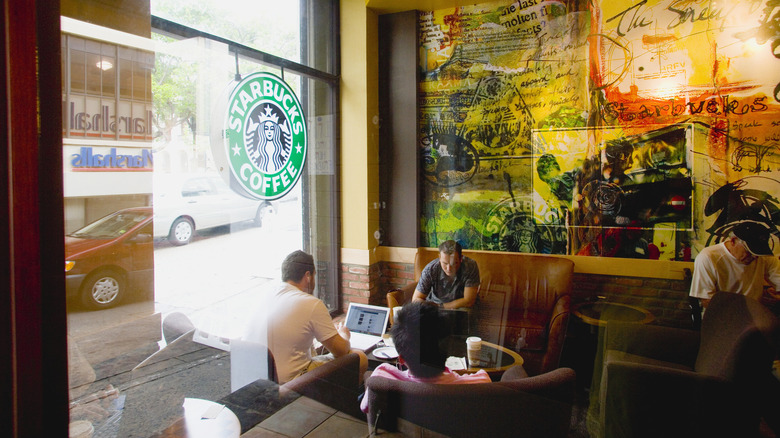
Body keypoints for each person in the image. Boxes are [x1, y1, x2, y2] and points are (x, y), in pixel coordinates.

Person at [242, 250, 367, 384]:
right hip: (288, 384)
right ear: (308, 276)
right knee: (359, 357)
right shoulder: (311, 303)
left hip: (252, 380)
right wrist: (344, 335)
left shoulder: (265, 295)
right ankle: (345, 403)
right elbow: (341, 351)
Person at [360, 301, 492, 413]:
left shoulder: (380, 378)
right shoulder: (480, 383)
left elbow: (365, 407)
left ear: (401, 359)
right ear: (448, 350)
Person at [689, 221, 780, 309]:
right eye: (749, 251)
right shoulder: (708, 257)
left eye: (757, 252)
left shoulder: (762, 256)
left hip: (754, 314)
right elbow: (707, 300)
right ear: (733, 241)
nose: (754, 256)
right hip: (720, 316)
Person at [412, 240, 480, 309]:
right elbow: (416, 299)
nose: (449, 268)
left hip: (460, 306)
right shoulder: (430, 270)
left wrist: (440, 307)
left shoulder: (470, 267)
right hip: (434, 305)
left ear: (461, 258)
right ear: (439, 257)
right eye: (445, 263)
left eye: (453, 263)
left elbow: (468, 301)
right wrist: (429, 306)